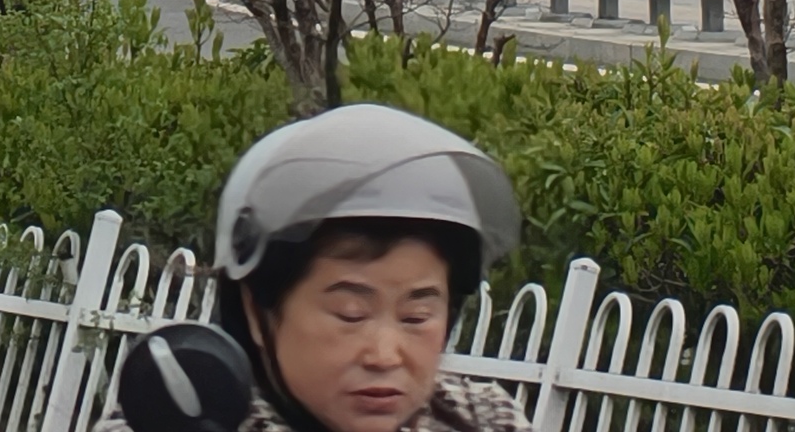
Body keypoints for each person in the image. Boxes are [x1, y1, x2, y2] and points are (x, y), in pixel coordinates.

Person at [111, 106, 529, 432]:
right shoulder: (173, 419)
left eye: (416, 317)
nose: (384, 355)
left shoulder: (483, 418)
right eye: (351, 314)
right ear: (256, 308)